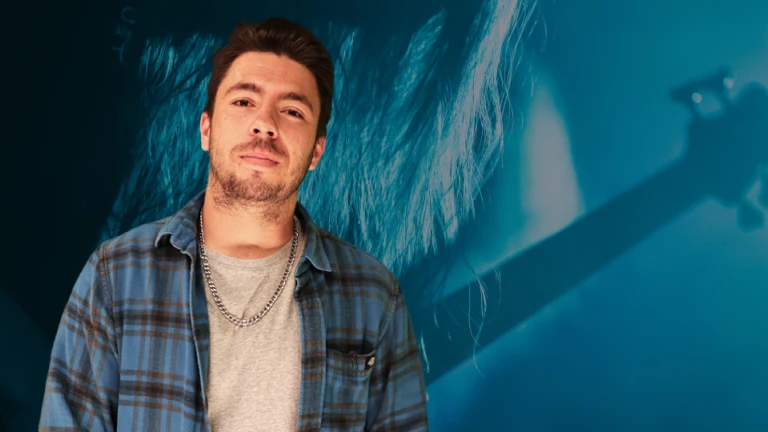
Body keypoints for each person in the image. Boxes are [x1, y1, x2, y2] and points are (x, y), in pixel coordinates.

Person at [39, 18, 429, 432]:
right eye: (244, 101)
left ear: (317, 151)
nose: (265, 124)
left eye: (292, 111)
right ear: (206, 129)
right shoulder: (115, 276)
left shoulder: (373, 294)